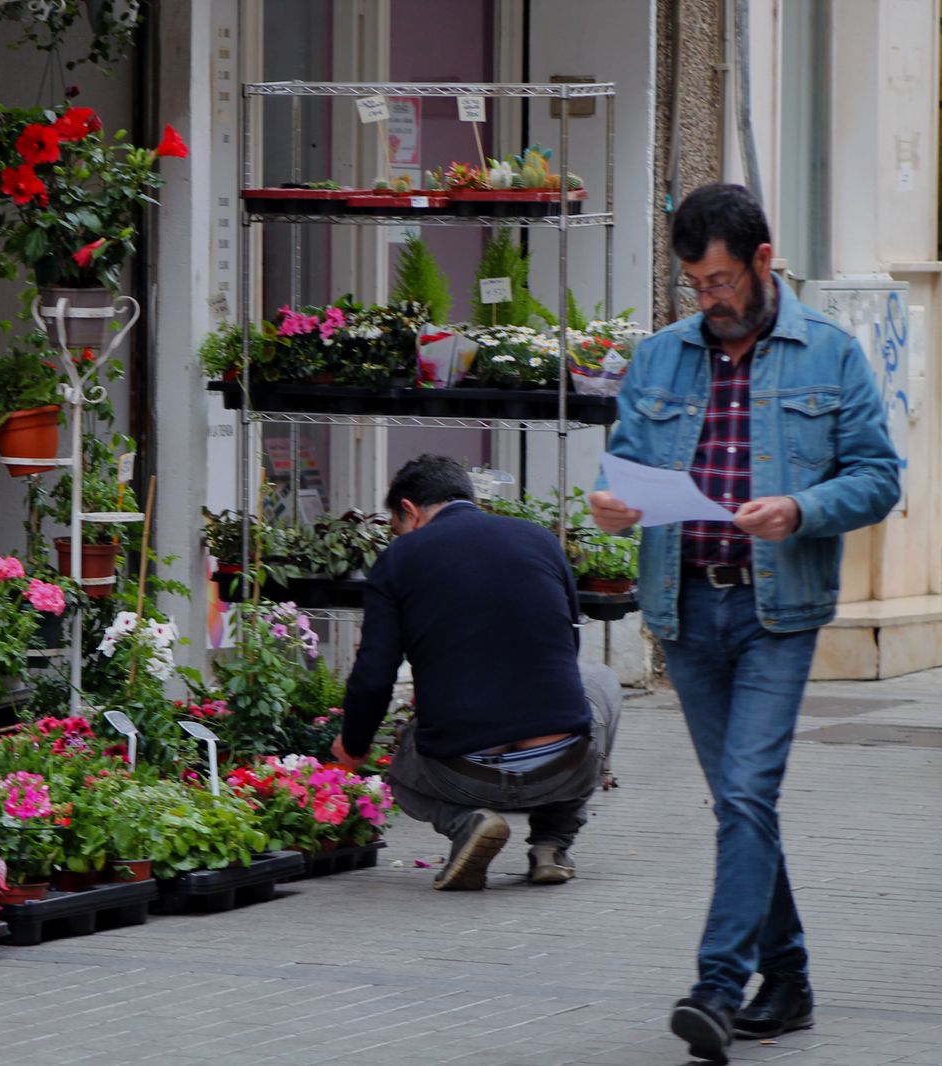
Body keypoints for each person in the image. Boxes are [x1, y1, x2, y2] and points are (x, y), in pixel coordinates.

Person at [588, 183, 901, 1064]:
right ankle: (791, 977)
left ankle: (718, 987)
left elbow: (879, 478)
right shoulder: (659, 359)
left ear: (764, 261)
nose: (710, 299)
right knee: (739, 804)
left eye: (722, 279)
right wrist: (615, 509)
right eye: (695, 283)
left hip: (777, 612)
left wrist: (800, 508)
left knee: (747, 794)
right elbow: (631, 474)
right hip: (685, 612)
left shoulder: (830, 356)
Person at [330, 454, 622, 892]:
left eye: (397, 524)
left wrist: (352, 748)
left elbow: (375, 674)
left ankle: (468, 823)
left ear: (409, 511)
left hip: (461, 773)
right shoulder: (540, 539)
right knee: (599, 681)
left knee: (403, 748)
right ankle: (552, 843)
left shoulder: (401, 557)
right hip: (561, 766)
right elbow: (569, 646)